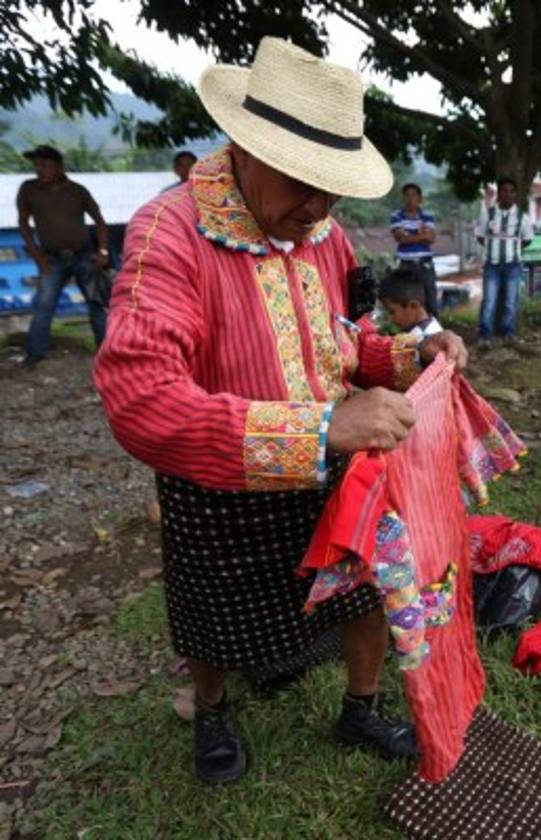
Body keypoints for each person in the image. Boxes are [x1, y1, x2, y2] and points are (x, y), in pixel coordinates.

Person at [93, 37, 468, 785]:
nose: (321, 209)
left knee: (362, 586)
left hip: (334, 468)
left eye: (334, 190)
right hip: (220, 481)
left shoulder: (320, 235)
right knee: (213, 609)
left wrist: (407, 356)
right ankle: (213, 709)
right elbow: (139, 397)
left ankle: (360, 705)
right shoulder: (171, 234)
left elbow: (343, 344)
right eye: (304, 184)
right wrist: (325, 428)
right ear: (244, 146)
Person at [16, 145, 110, 367]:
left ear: (58, 167)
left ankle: (107, 353)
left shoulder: (78, 190)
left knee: (96, 305)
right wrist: (37, 256)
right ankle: (35, 354)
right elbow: (23, 223)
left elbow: (100, 222)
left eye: (45, 165)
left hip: (84, 255)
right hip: (51, 258)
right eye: (37, 165)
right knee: (43, 305)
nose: (40, 169)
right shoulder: (29, 189)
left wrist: (103, 251)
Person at [475, 177, 534, 346]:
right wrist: (492, 248)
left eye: (511, 191)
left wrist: (511, 248)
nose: (508, 194)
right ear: (499, 193)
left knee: (510, 301)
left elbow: (528, 239)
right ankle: (485, 336)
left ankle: (508, 334)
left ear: (515, 194)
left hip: (513, 265)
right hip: (491, 265)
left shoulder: (522, 217)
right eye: (504, 190)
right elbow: (480, 236)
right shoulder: (489, 213)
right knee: (489, 301)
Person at [389, 182, 439, 316]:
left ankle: (435, 333)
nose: (410, 199)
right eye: (407, 195)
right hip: (405, 264)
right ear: (403, 198)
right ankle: (411, 334)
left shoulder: (427, 215)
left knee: (431, 301)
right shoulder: (396, 216)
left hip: (425, 263)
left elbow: (431, 238)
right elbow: (401, 238)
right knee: (407, 300)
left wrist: (409, 236)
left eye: (414, 195)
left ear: (420, 198)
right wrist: (422, 235)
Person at [378, 264, 443, 343]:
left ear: (413, 305)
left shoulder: (425, 341)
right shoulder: (423, 332)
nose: (391, 319)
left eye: (392, 312)